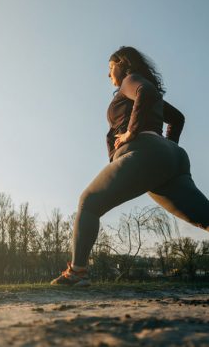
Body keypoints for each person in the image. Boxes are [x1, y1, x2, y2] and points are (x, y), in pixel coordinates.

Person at [51, 46, 209, 287]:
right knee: (204, 217)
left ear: (121, 64)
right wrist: (166, 150)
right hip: (171, 158)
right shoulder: (147, 91)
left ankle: (78, 272)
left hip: (145, 152)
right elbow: (178, 118)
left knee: (89, 203)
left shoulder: (130, 81)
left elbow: (144, 91)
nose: (108, 74)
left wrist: (130, 134)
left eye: (109, 67)